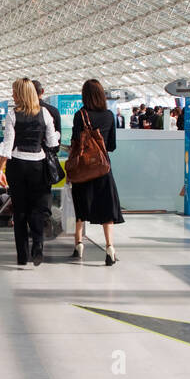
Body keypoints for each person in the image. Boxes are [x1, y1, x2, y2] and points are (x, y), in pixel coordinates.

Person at [0, 78, 59, 267]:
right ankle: (38, 245)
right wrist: (53, 137)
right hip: (38, 165)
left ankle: (22, 255)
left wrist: (1, 168)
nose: (12, 95)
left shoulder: (12, 115)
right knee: (37, 209)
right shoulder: (45, 113)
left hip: (17, 165)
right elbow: (52, 143)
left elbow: (7, 145)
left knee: (20, 211)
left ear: (21, 94)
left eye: (15, 92)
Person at [68, 78, 123, 265]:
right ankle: (109, 248)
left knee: (81, 208)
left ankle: (79, 245)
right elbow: (112, 146)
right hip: (103, 170)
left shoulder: (80, 115)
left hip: (83, 170)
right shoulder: (109, 115)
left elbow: (76, 142)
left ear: (85, 95)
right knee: (107, 210)